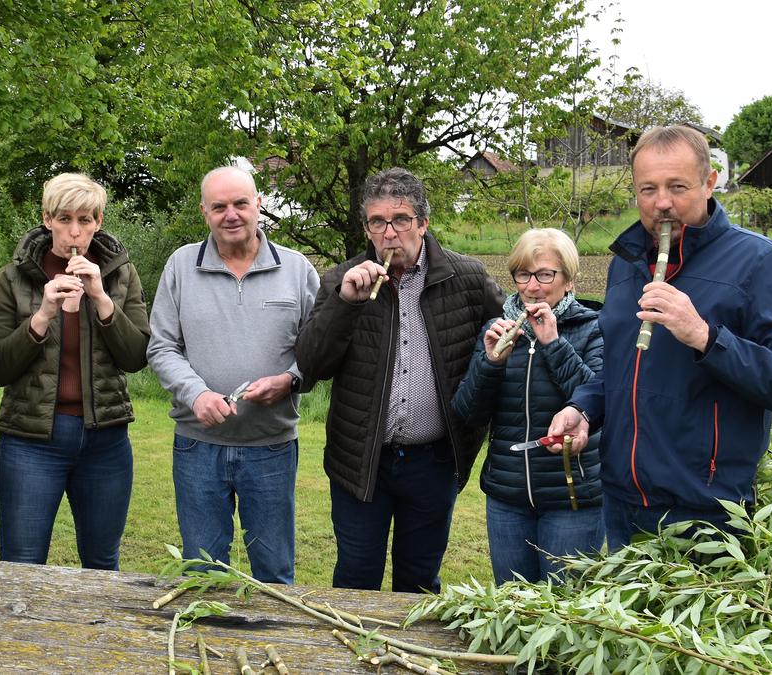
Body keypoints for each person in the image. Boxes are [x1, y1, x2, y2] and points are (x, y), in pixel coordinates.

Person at [547, 126, 772, 549]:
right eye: (648, 189)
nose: (662, 203)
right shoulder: (625, 264)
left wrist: (703, 335)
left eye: (677, 187)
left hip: (709, 517)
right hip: (622, 505)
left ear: (710, 182)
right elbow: (626, 371)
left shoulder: (761, 262)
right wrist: (585, 409)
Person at [295, 167, 504, 593]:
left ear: (423, 224)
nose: (389, 233)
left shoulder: (466, 278)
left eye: (401, 220)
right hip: (362, 462)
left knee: (420, 581)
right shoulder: (342, 280)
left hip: (435, 461)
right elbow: (311, 365)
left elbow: (506, 333)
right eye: (378, 222)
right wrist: (345, 305)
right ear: (367, 228)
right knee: (356, 578)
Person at [147, 166, 319, 584]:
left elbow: (319, 352)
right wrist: (195, 394)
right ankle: (205, 647)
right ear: (204, 212)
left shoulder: (297, 270)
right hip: (198, 447)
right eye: (219, 206)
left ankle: (273, 649)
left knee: (275, 572)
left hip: (272, 447)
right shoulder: (182, 266)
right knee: (203, 571)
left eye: (241, 203)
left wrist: (290, 380)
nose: (232, 214)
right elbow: (162, 346)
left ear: (259, 205)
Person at [0, 173, 150, 569]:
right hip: (31, 440)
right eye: (64, 218)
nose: (75, 231)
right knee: (22, 563)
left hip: (105, 440)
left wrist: (102, 299)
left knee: (102, 562)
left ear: (99, 222)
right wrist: (42, 316)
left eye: (85, 220)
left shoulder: (121, 274)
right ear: (46, 218)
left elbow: (136, 357)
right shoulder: (13, 277)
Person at [451, 228, 604, 584]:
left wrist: (553, 343)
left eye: (545, 275)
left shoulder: (592, 328)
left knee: (566, 612)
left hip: (573, 498)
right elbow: (468, 413)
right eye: (523, 274)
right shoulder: (497, 329)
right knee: (512, 606)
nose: (532, 287)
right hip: (507, 496)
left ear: (568, 279)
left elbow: (597, 403)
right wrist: (490, 363)